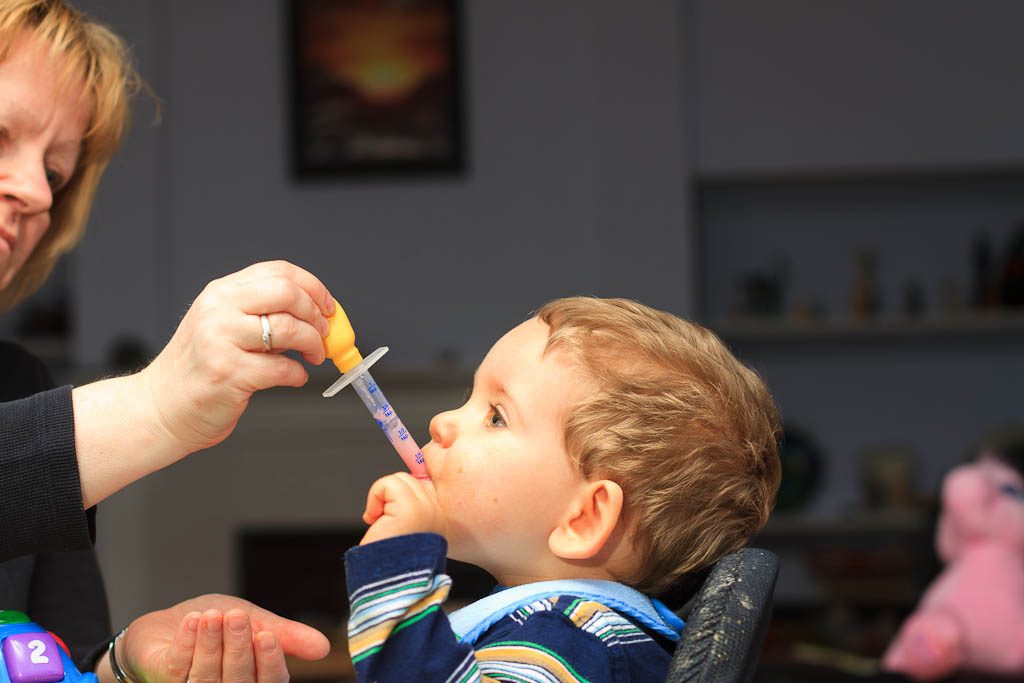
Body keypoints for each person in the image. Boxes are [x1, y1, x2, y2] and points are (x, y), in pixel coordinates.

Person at [2, 1, 330, 680]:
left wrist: (132, 660)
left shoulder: (22, 384)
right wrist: (157, 406)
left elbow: (63, 658)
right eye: (1, 134)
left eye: (57, 173)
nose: (37, 192)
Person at [343, 297, 782, 682]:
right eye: (469, 398)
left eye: (496, 415)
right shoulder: (577, 638)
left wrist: (395, 573)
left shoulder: (569, 642)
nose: (442, 422)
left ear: (583, 519)